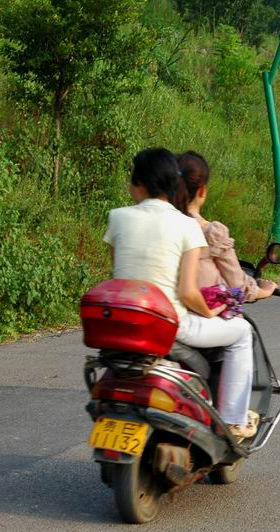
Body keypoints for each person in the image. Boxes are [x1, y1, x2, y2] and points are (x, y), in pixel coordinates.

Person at [103, 147, 257, 439]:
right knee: (241, 333)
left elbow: (121, 278)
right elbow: (187, 292)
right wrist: (211, 311)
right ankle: (233, 420)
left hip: (127, 321)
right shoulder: (187, 226)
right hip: (172, 325)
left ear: (138, 184)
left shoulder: (117, 217)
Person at [175, 151, 276, 301]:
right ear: (202, 190)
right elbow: (239, 286)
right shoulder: (212, 232)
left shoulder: (156, 224)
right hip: (203, 315)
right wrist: (266, 290)